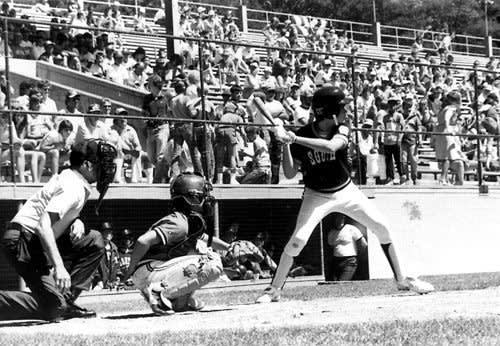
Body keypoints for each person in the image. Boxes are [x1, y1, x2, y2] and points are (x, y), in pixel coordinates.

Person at [256, 86, 434, 304]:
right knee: (298, 240)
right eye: (343, 108)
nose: (347, 112)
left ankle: (402, 280)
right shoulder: (301, 134)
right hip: (316, 195)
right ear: (329, 111)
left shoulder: (342, 128)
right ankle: (273, 290)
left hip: (346, 191)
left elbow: (332, 147)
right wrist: (283, 142)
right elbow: (291, 172)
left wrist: (293, 139)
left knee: (382, 227)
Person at [0, 139, 117, 321]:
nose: (107, 170)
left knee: (93, 240)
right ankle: (58, 303)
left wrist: (75, 220)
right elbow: (42, 225)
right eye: (103, 164)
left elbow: (55, 215)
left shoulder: (74, 179)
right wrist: (59, 267)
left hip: (33, 239)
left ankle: (65, 302)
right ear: (86, 164)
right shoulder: (74, 185)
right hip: (23, 240)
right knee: (54, 308)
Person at [124, 172, 245, 315]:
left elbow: (205, 238)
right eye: (202, 196)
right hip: (149, 271)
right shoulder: (179, 223)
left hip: (156, 270)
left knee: (196, 251)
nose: (206, 200)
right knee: (212, 260)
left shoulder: (188, 221)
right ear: (192, 198)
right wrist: (130, 269)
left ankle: (179, 302)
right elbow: (142, 241)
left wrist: (228, 247)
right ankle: (157, 293)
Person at [325, 213, 367, 281]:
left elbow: (363, 244)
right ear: (334, 220)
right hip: (336, 261)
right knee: (333, 282)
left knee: (342, 282)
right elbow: (330, 247)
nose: (340, 220)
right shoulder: (331, 232)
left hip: (350, 261)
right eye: (338, 218)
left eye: (342, 218)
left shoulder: (351, 228)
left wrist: (358, 257)